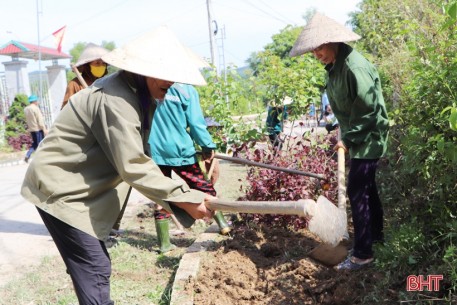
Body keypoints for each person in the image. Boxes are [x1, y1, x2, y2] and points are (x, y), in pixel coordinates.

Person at [21, 26, 215, 304]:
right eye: (167, 73)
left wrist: (184, 192)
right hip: (61, 190)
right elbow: (133, 164)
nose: (172, 82)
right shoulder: (117, 98)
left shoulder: (140, 95)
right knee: (95, 268)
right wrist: (186, 199)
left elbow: (140, 155)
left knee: (92, 267)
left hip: (78, 188)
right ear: (144, 69)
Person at [290, 13, 389, 270]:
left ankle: (363, 254)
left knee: (357, 190)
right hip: (355, 135)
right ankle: (376, 238)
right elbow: (346, 106)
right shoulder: (335, 68)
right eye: (313, 50)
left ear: (333, 41)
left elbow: (368, 110)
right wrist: (340, 131)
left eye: (320, 48)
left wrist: (349, 138)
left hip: (368, 136)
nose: (317, 54)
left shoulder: (355, 68)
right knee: (368, 189)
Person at [149, 83, 231, 252]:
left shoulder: (149, 85)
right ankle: (223, 225)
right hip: (180, 149)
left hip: (153, 150)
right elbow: (195, 123)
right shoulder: (185, 89)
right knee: (202, 186)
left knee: (160, 195)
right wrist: (207, 145)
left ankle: (164, 244)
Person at [61, 43, 109, 109]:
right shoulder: (74, 84)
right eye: (97, 63)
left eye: (103, 63)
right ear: (87, 66)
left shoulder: (107, 83)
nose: (101, 66)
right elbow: (66, 110)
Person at [24, 95, 47, 163]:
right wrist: (44, 128)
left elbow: (27, 120)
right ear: (34, 101)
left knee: (35, 144)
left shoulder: (26, 109)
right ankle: (41, 158)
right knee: (41, 144)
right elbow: (39, 120)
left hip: (32, 129)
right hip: (38, 129)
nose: (37, 102)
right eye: (36, 100)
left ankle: (28, 155)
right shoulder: (35, 108)